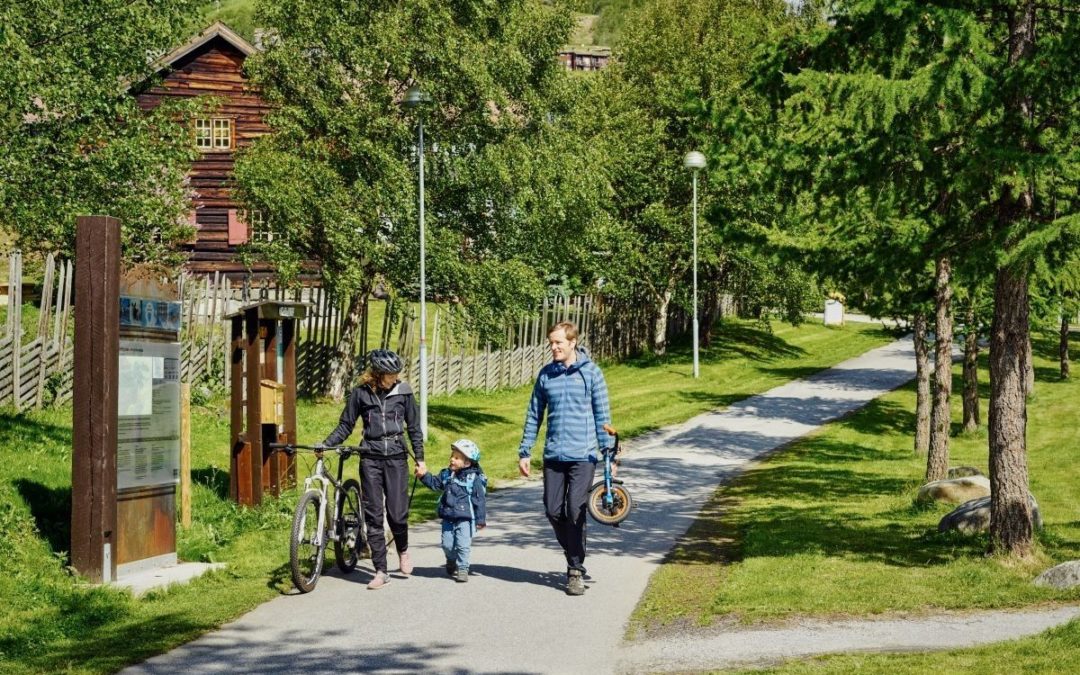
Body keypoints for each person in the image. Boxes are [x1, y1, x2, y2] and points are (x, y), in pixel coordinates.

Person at [518, 321, 614, 596]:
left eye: (558, 342)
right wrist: (525, 451)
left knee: (575, 510)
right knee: (552, 510)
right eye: (551, 343)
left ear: (572, 342)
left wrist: (608, 453)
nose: (553, 347)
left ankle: (574, 568)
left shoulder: (592, 374)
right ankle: (574, 549)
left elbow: (602, 416)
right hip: (554, 456)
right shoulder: (546, 375)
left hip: (583, 456)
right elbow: (534, 414)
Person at [321, 349, 425, 590]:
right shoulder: (360, 394)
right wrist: (326, 444)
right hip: (370, 458)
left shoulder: (404, 392)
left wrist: (420, 459)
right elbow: (346, 425)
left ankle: (403, 550)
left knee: (397, 515)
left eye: (397, 373)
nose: (395, 377)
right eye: (391, 374)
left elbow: (414, 428)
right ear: (378, 374)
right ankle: (381, 570)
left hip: (397, 458)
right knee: (374, 516)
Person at [415, 438, 487, 583]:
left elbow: (479, 500)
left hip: (465, 518)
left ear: (467, 462)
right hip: (448, 516)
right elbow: (435, 484)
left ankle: (462, 568)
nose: (452, 459)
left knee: (463, 545)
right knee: (447, 545)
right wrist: (423, 476)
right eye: (452, 456)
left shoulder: (474, 478)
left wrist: (480, 519)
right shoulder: (447, 474)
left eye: (456, 458)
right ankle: (451, 559)